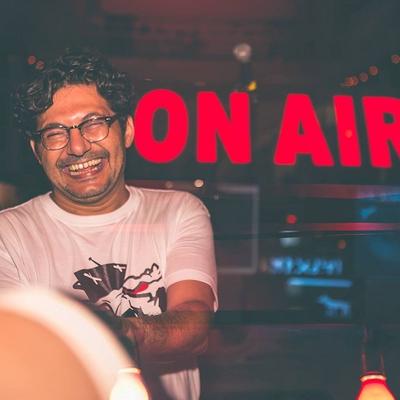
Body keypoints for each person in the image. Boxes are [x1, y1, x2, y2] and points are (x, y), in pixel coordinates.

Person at [0, 48, 218, 400]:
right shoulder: (7, 234)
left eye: (94, 124)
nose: (77, 147)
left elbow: (194, 323)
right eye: (55, 133)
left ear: (127, 130)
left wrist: (119, 331)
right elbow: (15, 350)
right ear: (37, 151)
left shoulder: (178, 211)